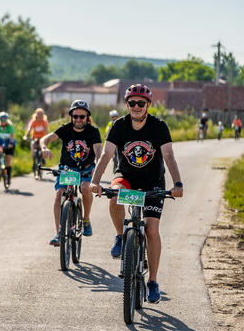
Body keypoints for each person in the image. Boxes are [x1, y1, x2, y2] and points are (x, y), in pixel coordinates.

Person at [89, 84, 184, 304]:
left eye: (141, 103)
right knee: (115, 194)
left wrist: (177, 183)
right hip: (126, 177)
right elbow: (106, 155)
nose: (136, 107)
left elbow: (169, 156)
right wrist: (95, 181)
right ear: (127, 104)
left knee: (151, 229)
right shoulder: (119, 125)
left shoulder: (159, 126)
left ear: (148, 105)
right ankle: (120, 236)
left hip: (153, 182)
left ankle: (153, 282)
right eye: (132, 103)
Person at [40, 100, 102, 246]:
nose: (78, 119)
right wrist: (44, 147)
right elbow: (45, 138)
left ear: (87, 117)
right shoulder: (65, 129)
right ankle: (59, 234)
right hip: (67, 169)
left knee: (85, 188)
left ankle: (86, 219)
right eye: (75, 116)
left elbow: (99, 150)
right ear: (71, 116)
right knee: (59, 194)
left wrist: (98, 166)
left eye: (82, 116)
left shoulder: (93, 131)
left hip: (86, 168)